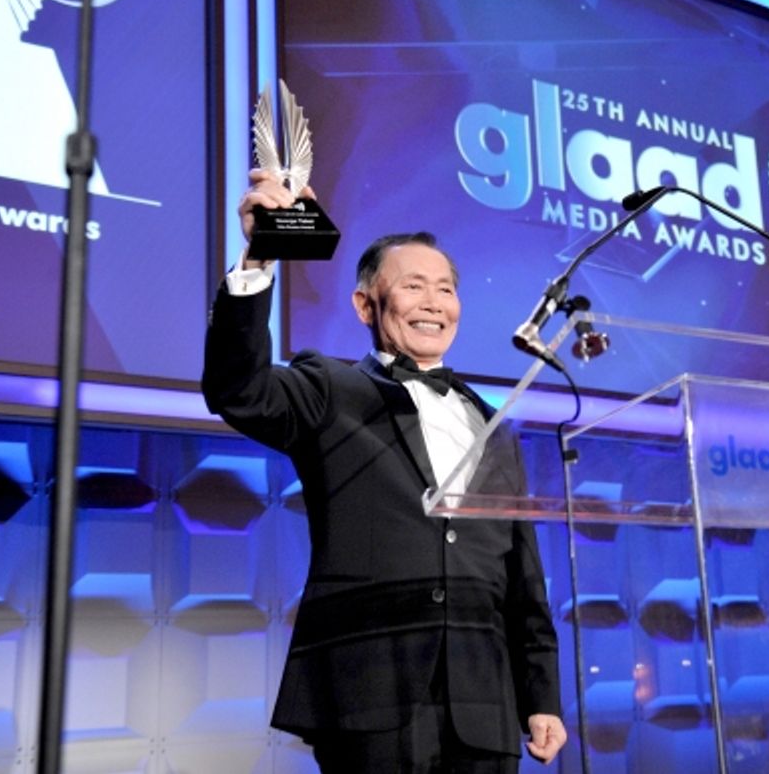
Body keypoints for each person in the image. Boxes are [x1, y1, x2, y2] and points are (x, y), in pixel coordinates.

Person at [201, 171, 567, 773]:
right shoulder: (331, 387)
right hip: (369, 688)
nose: (433, 302)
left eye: (445, 289)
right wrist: (260, 257)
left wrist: (541, 694)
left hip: (485, 705)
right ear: (365, 305)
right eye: (413, 286)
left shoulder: (493, 424)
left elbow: (522, 574)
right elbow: (237, 390)